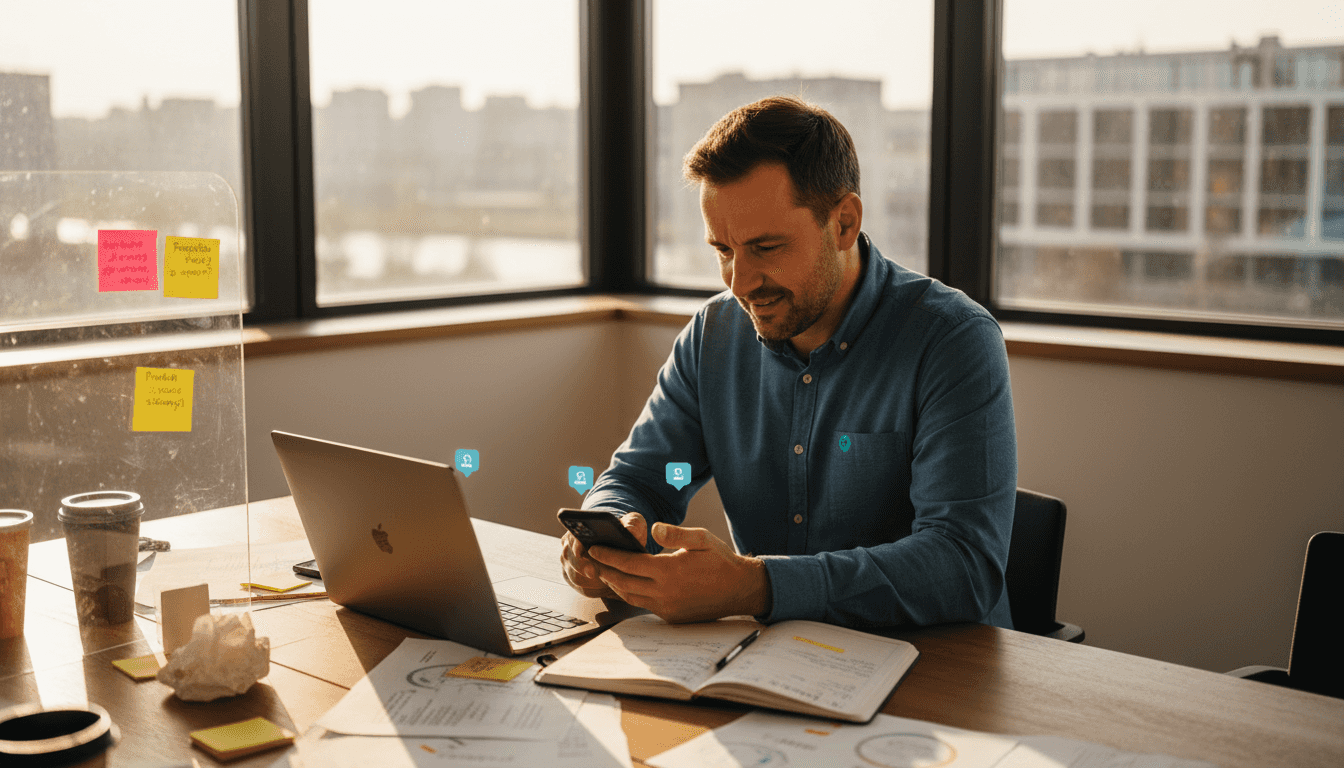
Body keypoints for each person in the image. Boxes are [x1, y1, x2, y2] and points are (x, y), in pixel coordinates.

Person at [560, 96, 1017, 629]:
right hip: (769, 667)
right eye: (724, 251)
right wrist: (607, 529)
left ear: (843, 223)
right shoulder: (713, 336)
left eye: (766, 248)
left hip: (940, 670)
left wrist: (757, 586)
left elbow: (963, 566)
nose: (739, 283)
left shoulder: (953, 340)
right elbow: (639, 478)